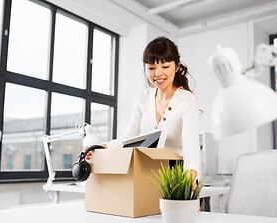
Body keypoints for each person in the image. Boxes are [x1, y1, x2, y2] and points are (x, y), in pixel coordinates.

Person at [86, 36, 201, 182]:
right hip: (149, 172)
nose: (158, 73)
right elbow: (128, 138)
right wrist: (101, 147)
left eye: (165, 67)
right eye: (151, 68)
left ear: (177, 67)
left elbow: (190, 141)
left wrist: (191, 173)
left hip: (179, 173)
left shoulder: (186, 99)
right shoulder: (143, 98)